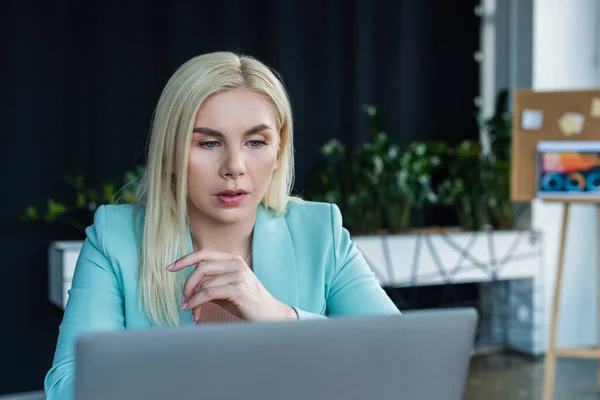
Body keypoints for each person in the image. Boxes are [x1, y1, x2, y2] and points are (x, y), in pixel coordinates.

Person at [44, 51, 400, 400]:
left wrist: (281, 319)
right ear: (170, 153)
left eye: (256, 142)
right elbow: (68, 387)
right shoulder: (115, 238)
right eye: (209, 143)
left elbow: (398, 361)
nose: (234, 166)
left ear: (279, 152)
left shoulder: (320, 231)